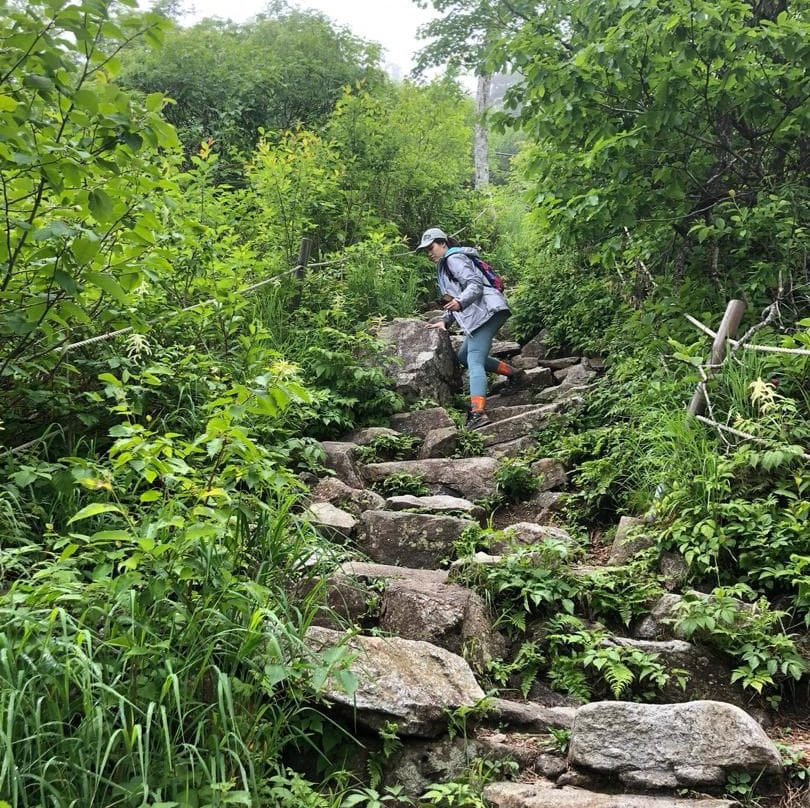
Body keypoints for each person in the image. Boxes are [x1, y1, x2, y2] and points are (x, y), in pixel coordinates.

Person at [418, 227, 526, 429]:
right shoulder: (445, 265)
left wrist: (460, 302)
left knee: (474, 359)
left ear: (443, 243)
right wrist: (445, 320)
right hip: (480, 314)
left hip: (487, 311)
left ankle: (477, 413)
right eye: (426, 250)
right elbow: (452, 299)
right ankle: (515, 375)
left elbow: (474, 285)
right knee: (463, 356)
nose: (429, 253)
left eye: (431, 247)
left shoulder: (454, 259)